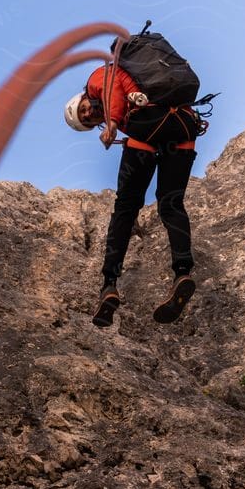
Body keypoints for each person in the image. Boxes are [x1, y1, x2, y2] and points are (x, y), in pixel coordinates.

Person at [64, 55, 201, 327]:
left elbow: (112, 88)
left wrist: (113, 122)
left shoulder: (95, 81)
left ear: (81, 98)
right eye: (87, 121)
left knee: (126, 208)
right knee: (171, 202)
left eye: (83, 111)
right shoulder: (125, 100)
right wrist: (116, 123)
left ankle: (109, 284)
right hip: (183, 125)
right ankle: (182, 274)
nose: (89, 115)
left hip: (150, 128)